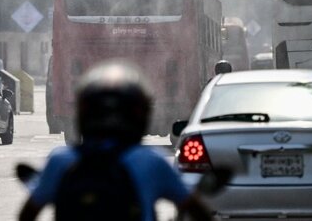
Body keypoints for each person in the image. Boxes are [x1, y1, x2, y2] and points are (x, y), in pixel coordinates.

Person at [19, 61, 212, 221]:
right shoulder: (151, 161)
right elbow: (197, 211)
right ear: (140, 115)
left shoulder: (60, 160)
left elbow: (27, 214)